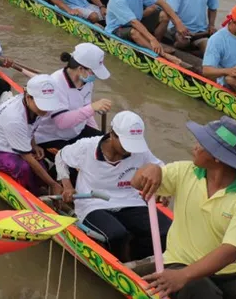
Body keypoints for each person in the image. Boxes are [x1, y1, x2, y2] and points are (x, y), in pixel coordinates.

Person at [132, 116, 236, 298]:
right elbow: (136, 182)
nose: (194, 147)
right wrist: (150, 169)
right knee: (201, 291)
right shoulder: (184, 172)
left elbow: (229, 252)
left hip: (229, 271)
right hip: (179, 262)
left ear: (218, 158)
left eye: (201, 144)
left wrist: (183, 276)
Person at [54, 111, 170, 263]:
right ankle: (123, 263)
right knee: (117, 235)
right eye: (126, 143)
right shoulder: (87, 147)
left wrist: (165, 187)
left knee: (167, 231)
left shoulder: (140, 149)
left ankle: (141, 259)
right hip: (94, 201)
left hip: (130, 200)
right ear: (112, 134)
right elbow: (60, 157)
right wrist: (67, 185)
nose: (130, 150)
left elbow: (160, 167)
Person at [0, 74, 65, 195]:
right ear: (28, 97)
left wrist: (34, 145)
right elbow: (26, 156)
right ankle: (33, 195)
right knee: (24, 168)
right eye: (42, 104)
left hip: (13, 143)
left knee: (40, 163)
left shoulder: (34, 108)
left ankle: (42, 188)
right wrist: (53, 184)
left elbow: (30, 127)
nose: (46, 110)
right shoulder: (14, 118)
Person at [33, 44, 113, 152]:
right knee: (75, 164)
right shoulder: (55, 83)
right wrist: (92, 108)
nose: (95, 77)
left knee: (106, 145)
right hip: (51, 137)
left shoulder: (87, 82)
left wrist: (96, 133)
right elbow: (62, 122)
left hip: (76, 131)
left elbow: (87, 112)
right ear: (80, 69)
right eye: (94, 73)